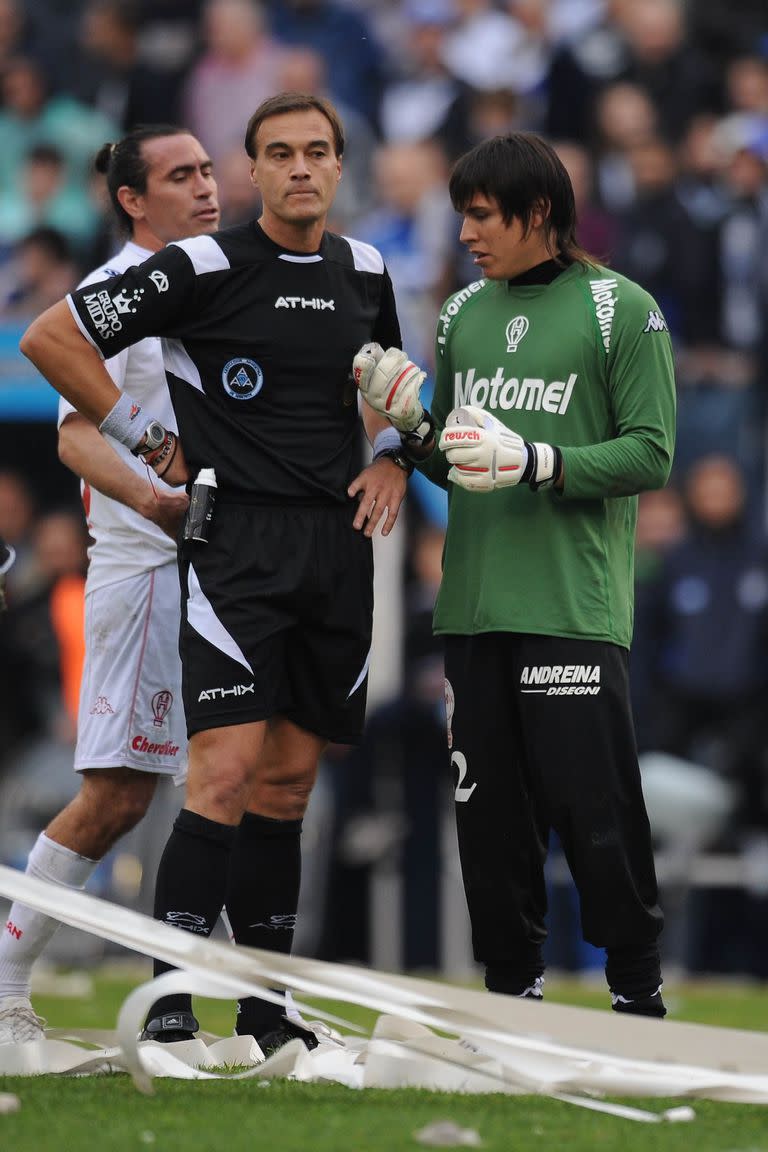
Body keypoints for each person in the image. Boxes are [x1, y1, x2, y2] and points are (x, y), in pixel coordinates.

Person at [19, 92, 410, 1053]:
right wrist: (148, 445)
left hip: (332, 551)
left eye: (319, 151)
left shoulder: (366, 268)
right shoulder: (194, 267)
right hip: (216, 551)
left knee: (285, 788)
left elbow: (390, 382)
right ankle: (156, 1011)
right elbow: (54, 349)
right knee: (205, 778)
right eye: (278, 153)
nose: (302, 168)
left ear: (340, 163)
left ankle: (270, 1018)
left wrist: (394, 453)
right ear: (256, 171)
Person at [354, 130, 676, 1017]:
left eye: (482, 215)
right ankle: (510, 997)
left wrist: (541, 460)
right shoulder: (462, 315)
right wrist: (405, 429)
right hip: (474, 606)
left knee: (594, 808)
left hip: (571, 605)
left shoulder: (622, 310)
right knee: (488, 820)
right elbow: (464, 461)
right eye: (462, 215)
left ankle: (636, 995)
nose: (465, 233)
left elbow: (652, 454)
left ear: (540, 214)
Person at [0, 123, 220, 1045]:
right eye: (181, 175)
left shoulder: (218, 276)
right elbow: (74, 435)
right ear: (133, 199)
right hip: (143, 564)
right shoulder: (108, 294)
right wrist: (157, 496)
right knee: (117, 795)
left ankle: (204, 1011)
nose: (206, 187)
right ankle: (6, 988)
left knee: (231, 779)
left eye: (209, 169)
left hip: (221, 566)